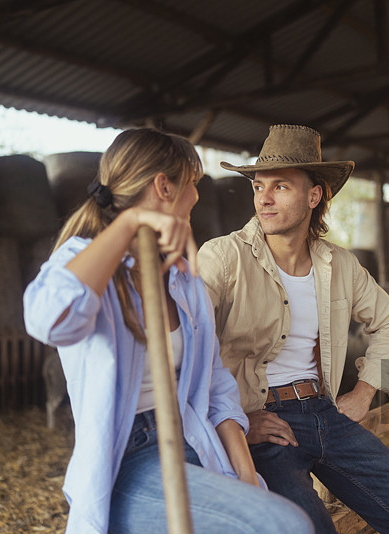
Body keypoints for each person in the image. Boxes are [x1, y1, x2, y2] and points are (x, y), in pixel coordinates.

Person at [23, 128, 313, 534]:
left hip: (195, 440)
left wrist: (246, 474)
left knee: (280, 515)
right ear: (164, 187)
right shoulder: (83, 262)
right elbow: (48, 321)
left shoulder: (182, 277)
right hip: (130, 460)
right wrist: (131, 223)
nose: (196, 196)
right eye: (192, 184)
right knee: (285, 525)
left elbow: (215, 386)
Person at [198, 124, 389, 534]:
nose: (264, 198)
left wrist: (364, 391)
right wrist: (234, 421)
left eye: (280, 186)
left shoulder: (340, 265)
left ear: (314, 196)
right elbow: (188, 346)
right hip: (263, 423)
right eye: (258, 186)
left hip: (326, 413)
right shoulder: (223, 258)